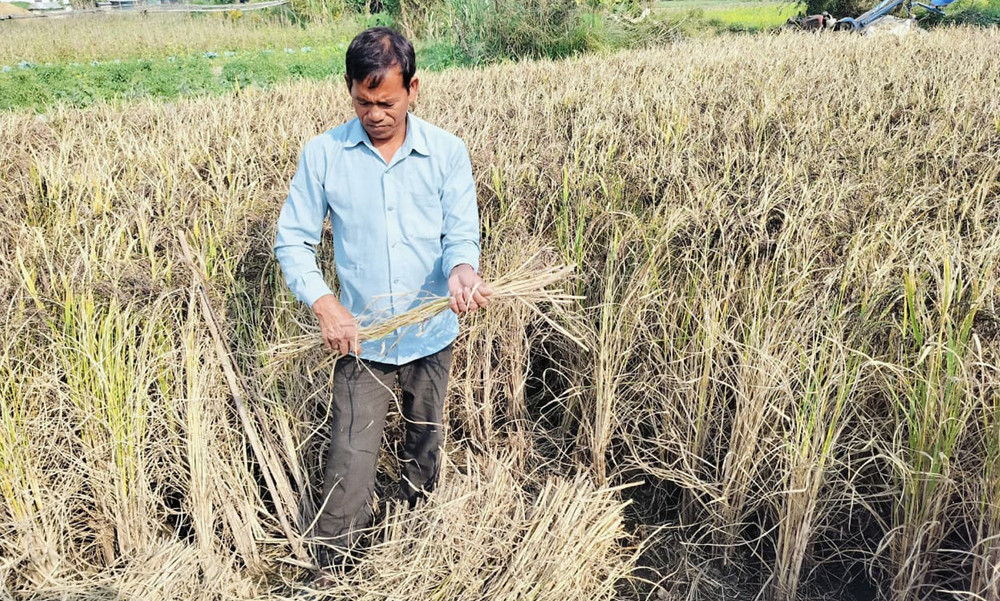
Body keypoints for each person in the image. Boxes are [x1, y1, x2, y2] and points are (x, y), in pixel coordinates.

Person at [272, 26, 492, 578]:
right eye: (362, 102)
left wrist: (462, 272)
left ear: (412, 88)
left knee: (425, 443)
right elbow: (292, 241)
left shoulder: (446, 152)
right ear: (349, 89)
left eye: (387, 103)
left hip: (430, 334)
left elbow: (460, 235)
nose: (374, 115)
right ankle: (331, 570)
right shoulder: (324, 155)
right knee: (349, 460)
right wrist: (325, 302)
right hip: (362, 340)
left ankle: (417, 549)